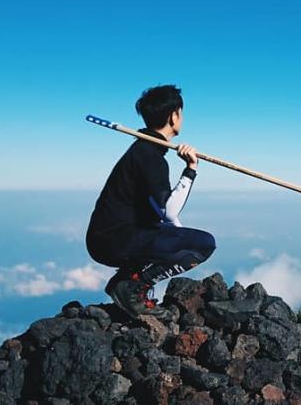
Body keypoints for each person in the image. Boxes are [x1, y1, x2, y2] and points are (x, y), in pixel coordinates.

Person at [86, 84, 217, 318]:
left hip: (107, 237)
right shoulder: (149, 157)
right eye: (181, 113)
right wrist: (191, 169)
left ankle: (126, 280)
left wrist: (178, 238)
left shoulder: (144, 151)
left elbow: (163, 215)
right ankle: (132, 287)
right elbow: (168, 211)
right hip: (115, 240)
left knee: (184, 239)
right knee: (203, 244)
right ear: (174, 115)